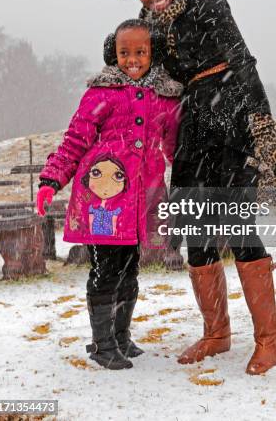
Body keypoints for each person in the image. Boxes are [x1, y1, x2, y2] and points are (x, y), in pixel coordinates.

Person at [105, 0, 276, 375]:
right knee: (196, 229)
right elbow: (139, 75)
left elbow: (243, 63)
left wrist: (259, 127)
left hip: (231, 119)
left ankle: (269, 340)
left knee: (240, 227)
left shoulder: (207, 2)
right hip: (190, 128)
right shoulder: (143, 27)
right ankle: (216, 333)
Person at [36, 19, 182, 370]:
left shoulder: (165, 98)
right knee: (106, 269)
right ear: (113, 54)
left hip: (142, 200)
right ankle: (102, 344)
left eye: (140, 52)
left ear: (153, 53)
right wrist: (51, 180)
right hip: (104, 202)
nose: (132, 59)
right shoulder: (101, 94)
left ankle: (120, 336)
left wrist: (186, 178)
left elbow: (174, 145)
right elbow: (75, 140)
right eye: (124, 52)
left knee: (130, 268)